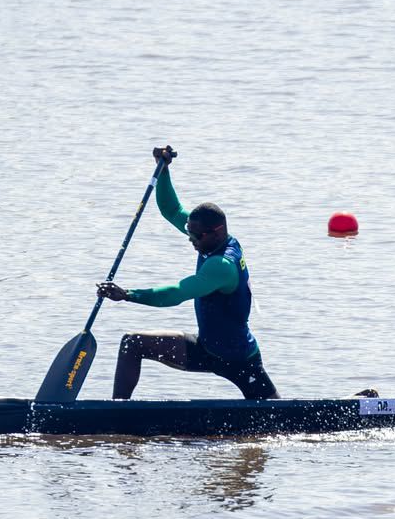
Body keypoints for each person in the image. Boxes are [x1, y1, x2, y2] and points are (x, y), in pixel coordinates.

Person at [96, 146, 279, 401]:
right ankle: (117, 415)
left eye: (195, 235)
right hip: (205, 348)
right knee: (132, 343)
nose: (190, 239)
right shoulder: (206, 237)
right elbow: (171, 210)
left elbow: (177, 293)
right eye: (189, 232)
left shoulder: (222, 265)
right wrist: (164, 170)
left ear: (218, 231)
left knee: (279, 418)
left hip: (239, 358)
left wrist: (128, 295)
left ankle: (354, 406)